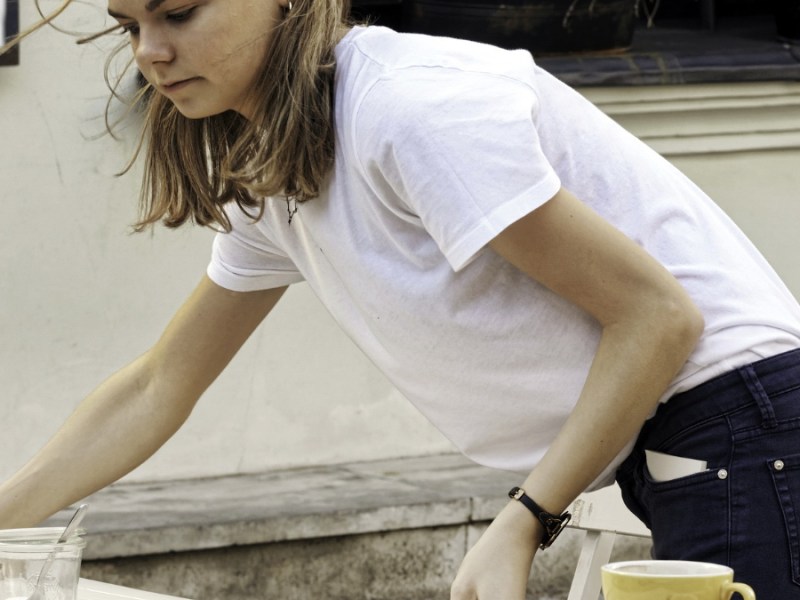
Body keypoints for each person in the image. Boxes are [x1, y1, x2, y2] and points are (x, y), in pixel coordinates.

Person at [2, 1, 800, 598]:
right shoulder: (279, 168)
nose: (151, 50)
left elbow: (659, 316)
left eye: (178, 12)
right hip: (690, 438)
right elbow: (158, 385)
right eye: (127, 24)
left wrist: (524, 521)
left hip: (742, 418)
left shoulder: (411, 110)